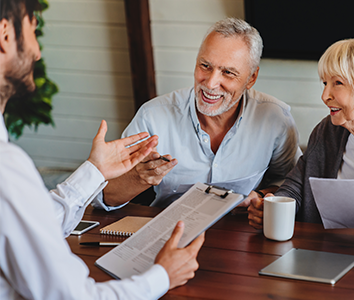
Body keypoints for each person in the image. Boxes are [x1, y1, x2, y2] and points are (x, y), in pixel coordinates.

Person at [0, 1, 204, 299]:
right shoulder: (7, 167)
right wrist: (162, 275)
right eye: (33, 29)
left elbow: (29, 230)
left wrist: (94, 171)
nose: (37, 51)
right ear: (5, 35)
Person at [93, 18, 302, 210]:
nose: (210, 83)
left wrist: (260, 197)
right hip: (171, 233)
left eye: (228, 72)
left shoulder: (276, 119)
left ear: (251, 78)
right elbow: (103, 197)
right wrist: (138, 178)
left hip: (243, 235)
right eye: (205, 66)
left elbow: (291, 185)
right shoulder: (153, 116)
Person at [248, 36, 354, 242]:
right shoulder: (326, 132)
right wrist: (272, 205)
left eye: (337, 83)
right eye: (324, 83)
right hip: (329, 254)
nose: (324, 95)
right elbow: (297, 185)